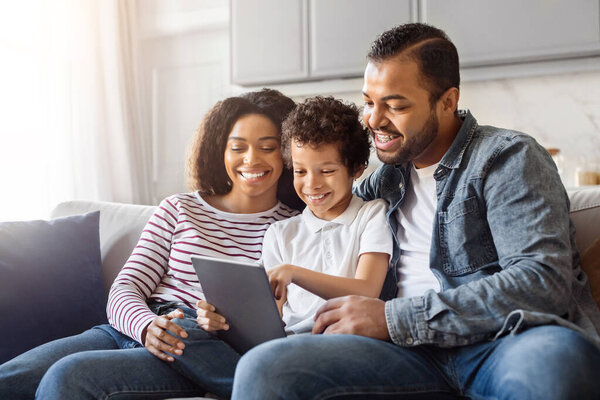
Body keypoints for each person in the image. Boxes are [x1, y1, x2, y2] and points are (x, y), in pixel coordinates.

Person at [232, 23, 600, 399]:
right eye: (370, 102)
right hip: (405, 355)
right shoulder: (383, 182)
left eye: (396, 105)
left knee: (555, 364)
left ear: (447, 101)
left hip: (500, 344)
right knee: (266, 368)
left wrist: (393, 319)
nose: (373, 120)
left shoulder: (506, 158)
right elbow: (316, 222)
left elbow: (541, 282)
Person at [0, 89, 300, 399]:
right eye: (238, 147)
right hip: (129, 328)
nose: (251, 159)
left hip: (191, 345)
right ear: (220, 151)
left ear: (289, 153)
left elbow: (283, 320)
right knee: (10, 379)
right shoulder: (179, 208)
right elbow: (126, 287)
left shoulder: (293, 228)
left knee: (67, 377)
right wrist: (146, 326)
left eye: (268, 147)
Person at [197, 96, 393, 335]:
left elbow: (367, 290)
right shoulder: (280, 233)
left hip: (347, 339)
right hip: (292, 343)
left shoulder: (372, 215)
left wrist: (295, 273)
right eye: (300, 171)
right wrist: (219, 321)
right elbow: (270, 318)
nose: (312, 184)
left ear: (356, 168)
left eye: (327, 171)